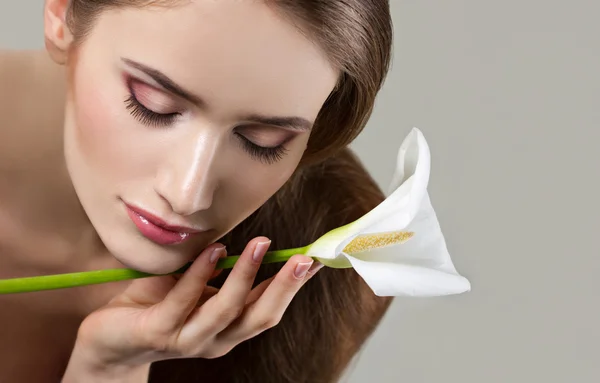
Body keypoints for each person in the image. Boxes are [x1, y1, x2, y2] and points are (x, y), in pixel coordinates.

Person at [0, 0, 394, 381]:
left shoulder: (328, 259)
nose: (188, 194)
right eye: (153, 105)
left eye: (262, 140)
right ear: (61, 14)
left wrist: (111, 368)